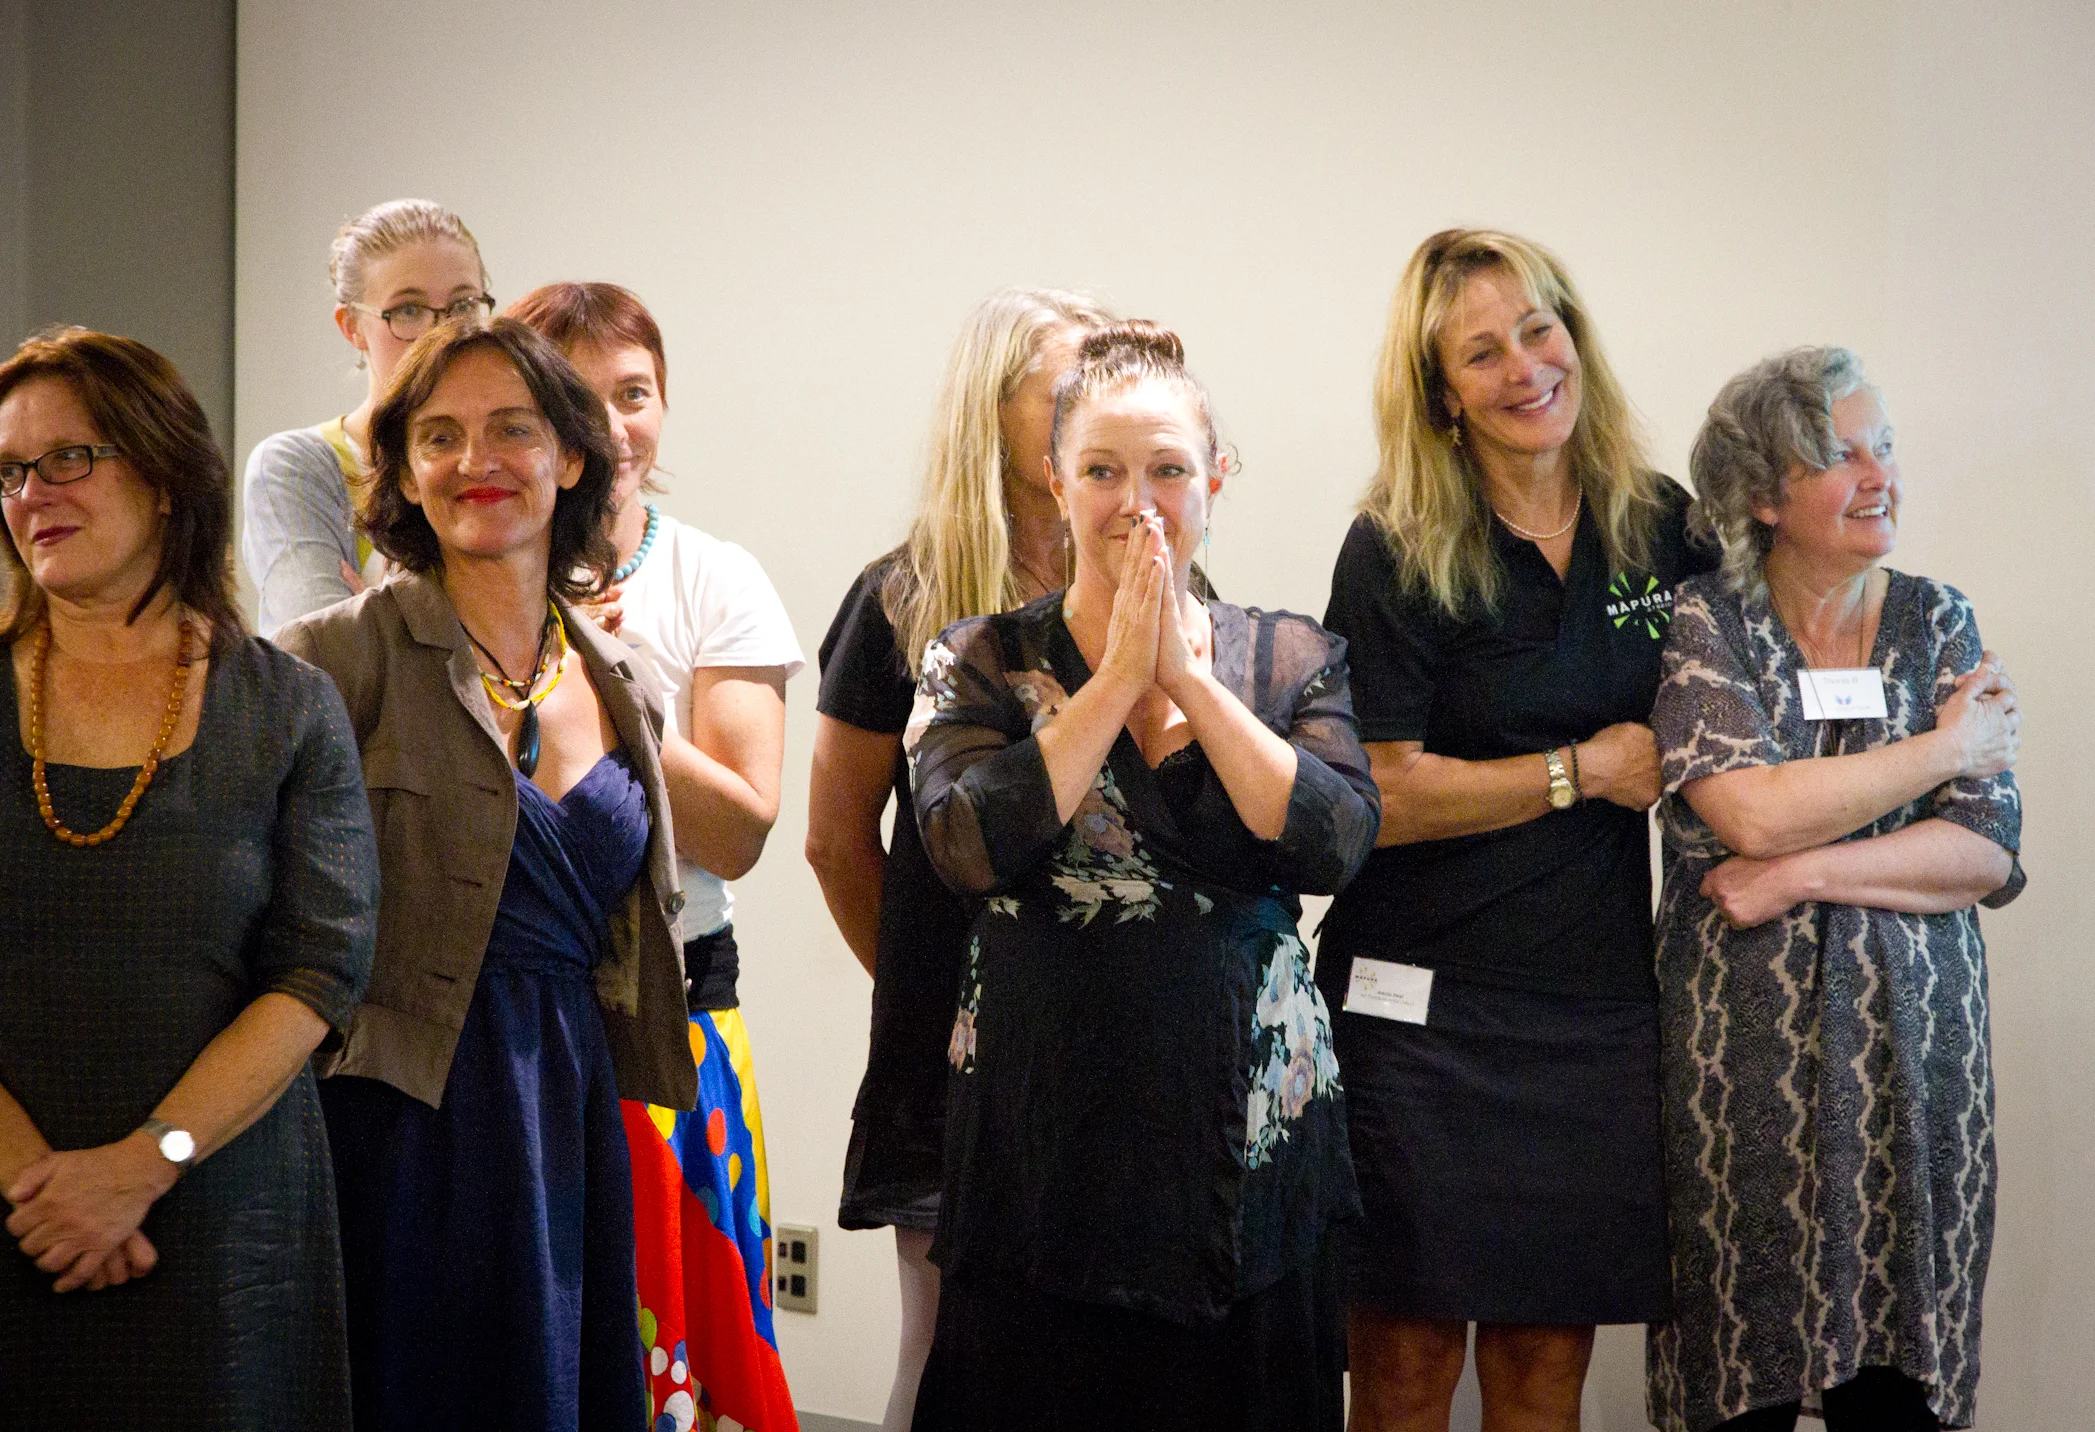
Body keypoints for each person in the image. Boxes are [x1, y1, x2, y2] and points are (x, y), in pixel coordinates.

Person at [904, 322, 1377, 1429]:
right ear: (1056, 482)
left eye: (1167, 469)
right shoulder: (979, 657)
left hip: (1244, 1133)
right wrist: (1116, 678)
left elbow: (1336, 842)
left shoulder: (1289, 655)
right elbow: (963, 843)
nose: (1138, 503)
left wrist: (1190, 686)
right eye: (1103, 471)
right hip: (1042, 1133)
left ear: (1215, 479)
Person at [1317, 228, 1718, 1432]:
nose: (1524, 368)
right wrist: (1577, 772)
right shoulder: (1395, 544)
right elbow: (1379, 792)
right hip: (1415, 1012)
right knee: (1404, 1363)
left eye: (1539, 330)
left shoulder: (1658, 525)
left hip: (1591, 1003)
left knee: (1546, 1365)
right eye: (1481, 352)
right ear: (1442, 393)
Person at [275, 318, 695, 1432]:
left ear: (572, 457)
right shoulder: (329, 659)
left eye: (512, 429)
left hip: (569, 1102)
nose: (477, 462)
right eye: (440, 436)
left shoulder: (620, 678)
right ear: (404, 471)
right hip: (395, 1116)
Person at [0, 327, 378, 1427]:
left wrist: (145, 1164)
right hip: (15, 1205)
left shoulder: (289, 706)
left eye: (68, 458)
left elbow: (318, 973)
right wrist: (39, 1186)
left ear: (165, 476)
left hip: (224, 1216)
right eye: (10, 472)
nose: (31, 495)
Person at [1646, 347, 2023, 1432]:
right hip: (1740, 1079)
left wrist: (1800, 874)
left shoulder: (1939, 619)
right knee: (1742, 1383)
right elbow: (1749, 816)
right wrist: (1942, 750)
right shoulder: (1705, 623)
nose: (1879, 477)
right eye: (1840, 457)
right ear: (1761, 496)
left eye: (1884, 447)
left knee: (1896, 1392)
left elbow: (1981, 853)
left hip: (1917, 1068)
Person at [806, 285, 1114, 1432]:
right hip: (956, 1051)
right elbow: (836, 842)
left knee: (1101, 1363)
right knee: (945, 1355)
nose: (1095, 409)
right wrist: (928, 987)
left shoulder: (1155, 595)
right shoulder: (899, 597)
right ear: (992, 409)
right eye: (1067, 387)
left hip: (1118, 1042)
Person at [509, 281, 804, 1431]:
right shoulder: (456, 584)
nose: (611, 424)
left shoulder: (714, 577)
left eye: (634, 394)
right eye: (576, 395)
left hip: (674, 1021)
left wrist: (609, 690)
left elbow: (741, 829)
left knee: (678, 1374)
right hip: (507, 1025)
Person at [243, 198, 494, 634]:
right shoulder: (295, 467)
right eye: (409, 310)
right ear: (351, 327)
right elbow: (324, 650)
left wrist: (384, 622)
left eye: (462, 306)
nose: (441, 333)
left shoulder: (504, 457)